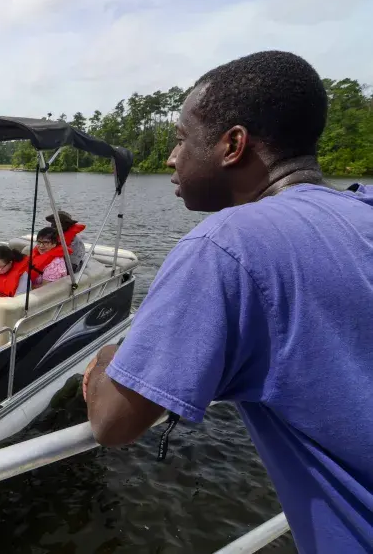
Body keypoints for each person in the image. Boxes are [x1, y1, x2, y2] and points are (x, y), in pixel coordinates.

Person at [81, 51, 373, 554]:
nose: (171, 158)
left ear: (232, 145)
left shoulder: (225, 244)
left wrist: (108, 356)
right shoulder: (361, 211)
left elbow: (112, 421)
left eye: (180, 139)